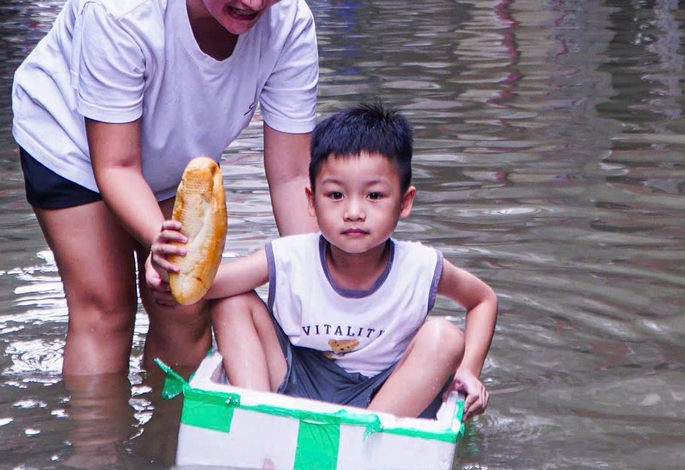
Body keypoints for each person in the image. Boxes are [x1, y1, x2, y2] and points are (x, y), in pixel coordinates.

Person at [12, 0, 319, 377]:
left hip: (174, 155)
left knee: (186, 305)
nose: (255, 0)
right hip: (74, 146)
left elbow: (291, 176)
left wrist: (316, 279)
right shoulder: (122, 9)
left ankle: (164, 449)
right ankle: (99, 456)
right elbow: (116, 167)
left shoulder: (289, 25)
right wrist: (160, 241)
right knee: (106, 310)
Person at [201, 105, 496, 419]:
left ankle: (361, 437)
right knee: (230, 300)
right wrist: (169, 268)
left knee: (445, 337)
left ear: (404, 202)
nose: (354, 211)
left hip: (385, 398)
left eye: (374, 196)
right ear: (311, 201)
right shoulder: (291, 255)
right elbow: (207, 286)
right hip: (296, 382)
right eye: (336, 195)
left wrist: (469, 370)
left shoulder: (420, 266)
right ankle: (257, 420)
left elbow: (483, 299)